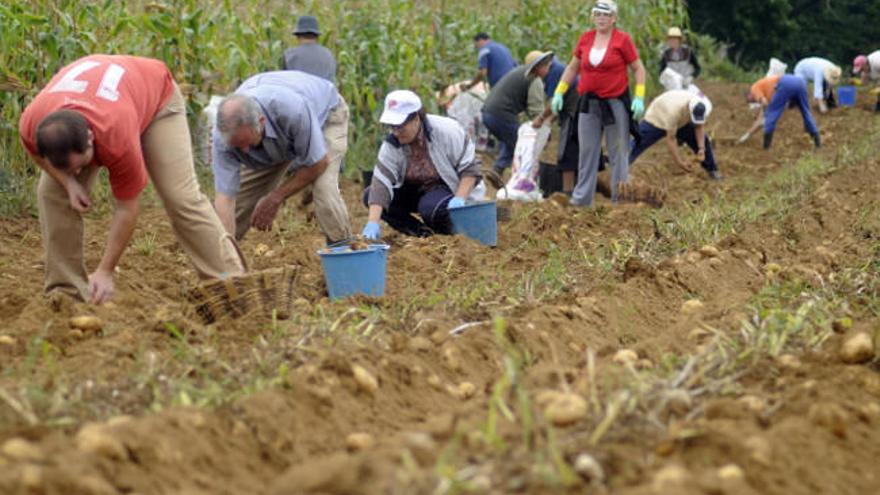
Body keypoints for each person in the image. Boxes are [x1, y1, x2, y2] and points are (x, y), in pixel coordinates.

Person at [18, 55, 246, 304]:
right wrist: (68, 183)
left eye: (80, 166)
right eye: (68, 169)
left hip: (157, 100)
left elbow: (127, 208)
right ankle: (65, 294)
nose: (76, 173)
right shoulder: (32, 123)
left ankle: (230, 283)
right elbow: (35, 153)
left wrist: (105, 271)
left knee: (180, 197)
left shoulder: (116, 137)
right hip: (110, 96)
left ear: (91, 138)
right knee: (52, 193)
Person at [212, 70, 352, 243]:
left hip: (326, 115)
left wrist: (276, 197)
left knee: (323, 188)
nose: (246, 152)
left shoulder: (292, 110)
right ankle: (223, 259)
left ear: (261, 122)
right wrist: (226, 250)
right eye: (238, 147)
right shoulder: (223, 139)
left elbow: (318, 163)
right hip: (277, 138)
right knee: (239, 205)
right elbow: (225, 197)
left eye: (247, 143)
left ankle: (344, 250)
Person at [551, 0, 647, 207]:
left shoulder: (622, 40)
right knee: (587, 152)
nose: (601, 18)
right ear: (593, 17)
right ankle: (582, 200)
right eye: (597, 14)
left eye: (606, 15)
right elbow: (572, 68)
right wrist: (559, 92)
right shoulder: (585, 39)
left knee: (618, 152)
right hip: (588, 103)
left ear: (614, 18)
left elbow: (638, 68)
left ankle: (620, 200)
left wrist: (639, 96)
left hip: (615, 103)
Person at [362, 90, 481, 239]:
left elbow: (470, 170)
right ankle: (422, 234)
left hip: (449, 189)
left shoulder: (447, 131)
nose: (396, 132)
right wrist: (373, 222)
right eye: (393, 127)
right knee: (370, 195)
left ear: (416, 118)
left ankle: (455, 234)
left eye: (400, 127)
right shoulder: (392, 145)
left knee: (430, 207)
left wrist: (460, 198)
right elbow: (381, 184)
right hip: (416, 191)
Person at [481, 51, 554, 177]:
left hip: (488, 113)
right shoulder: (534, 79)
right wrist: (544, 129)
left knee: (511, 140)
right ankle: (523, 179)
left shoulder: (519, 73)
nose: (548, 69)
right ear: (539, 67)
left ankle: (497, 171)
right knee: (523, 145)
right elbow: (536, 111)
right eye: (547, 66)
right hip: (500, 115)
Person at [629, 90, 721, 180]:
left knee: (703, 140)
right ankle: (620, 168)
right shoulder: (673, 112)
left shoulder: (700, 105)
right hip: (657, 117)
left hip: (681, 120)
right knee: (637, 142)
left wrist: (701, 149)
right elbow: (671, 139)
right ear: (690, 110)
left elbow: (699, 127)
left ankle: (712, 169)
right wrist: (680, 162)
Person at [737, 74, 821, 149]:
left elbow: (764, 105)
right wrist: (747, 135)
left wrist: (765, 115)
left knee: (772, 115)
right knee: (806, 112)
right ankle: (818, 144)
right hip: (801, 83)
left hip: (785, 83)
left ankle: (766, 147)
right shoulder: (766, 92)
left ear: (749, 94)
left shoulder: (754, 89)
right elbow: (761, 119)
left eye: (749, 101)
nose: (751, 102)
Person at [537, 56, 580, 195]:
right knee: (577, 150)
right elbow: (559, 102)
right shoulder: (557, 69)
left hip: (574, 112)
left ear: (542, 67)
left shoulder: (554, 73)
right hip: (577, 110)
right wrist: (549, 120)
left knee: (566, 151)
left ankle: (567, 192)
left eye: (536, 72)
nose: (538, 76)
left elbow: (553, 103)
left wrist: (541, 118)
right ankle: (578, 187)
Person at [282, 15, 336, 83]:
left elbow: (284, 82)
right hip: (324, 93)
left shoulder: (289, 54)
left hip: (299, 93)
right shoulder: (328, 54)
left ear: (298, 36)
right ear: (317, 36)